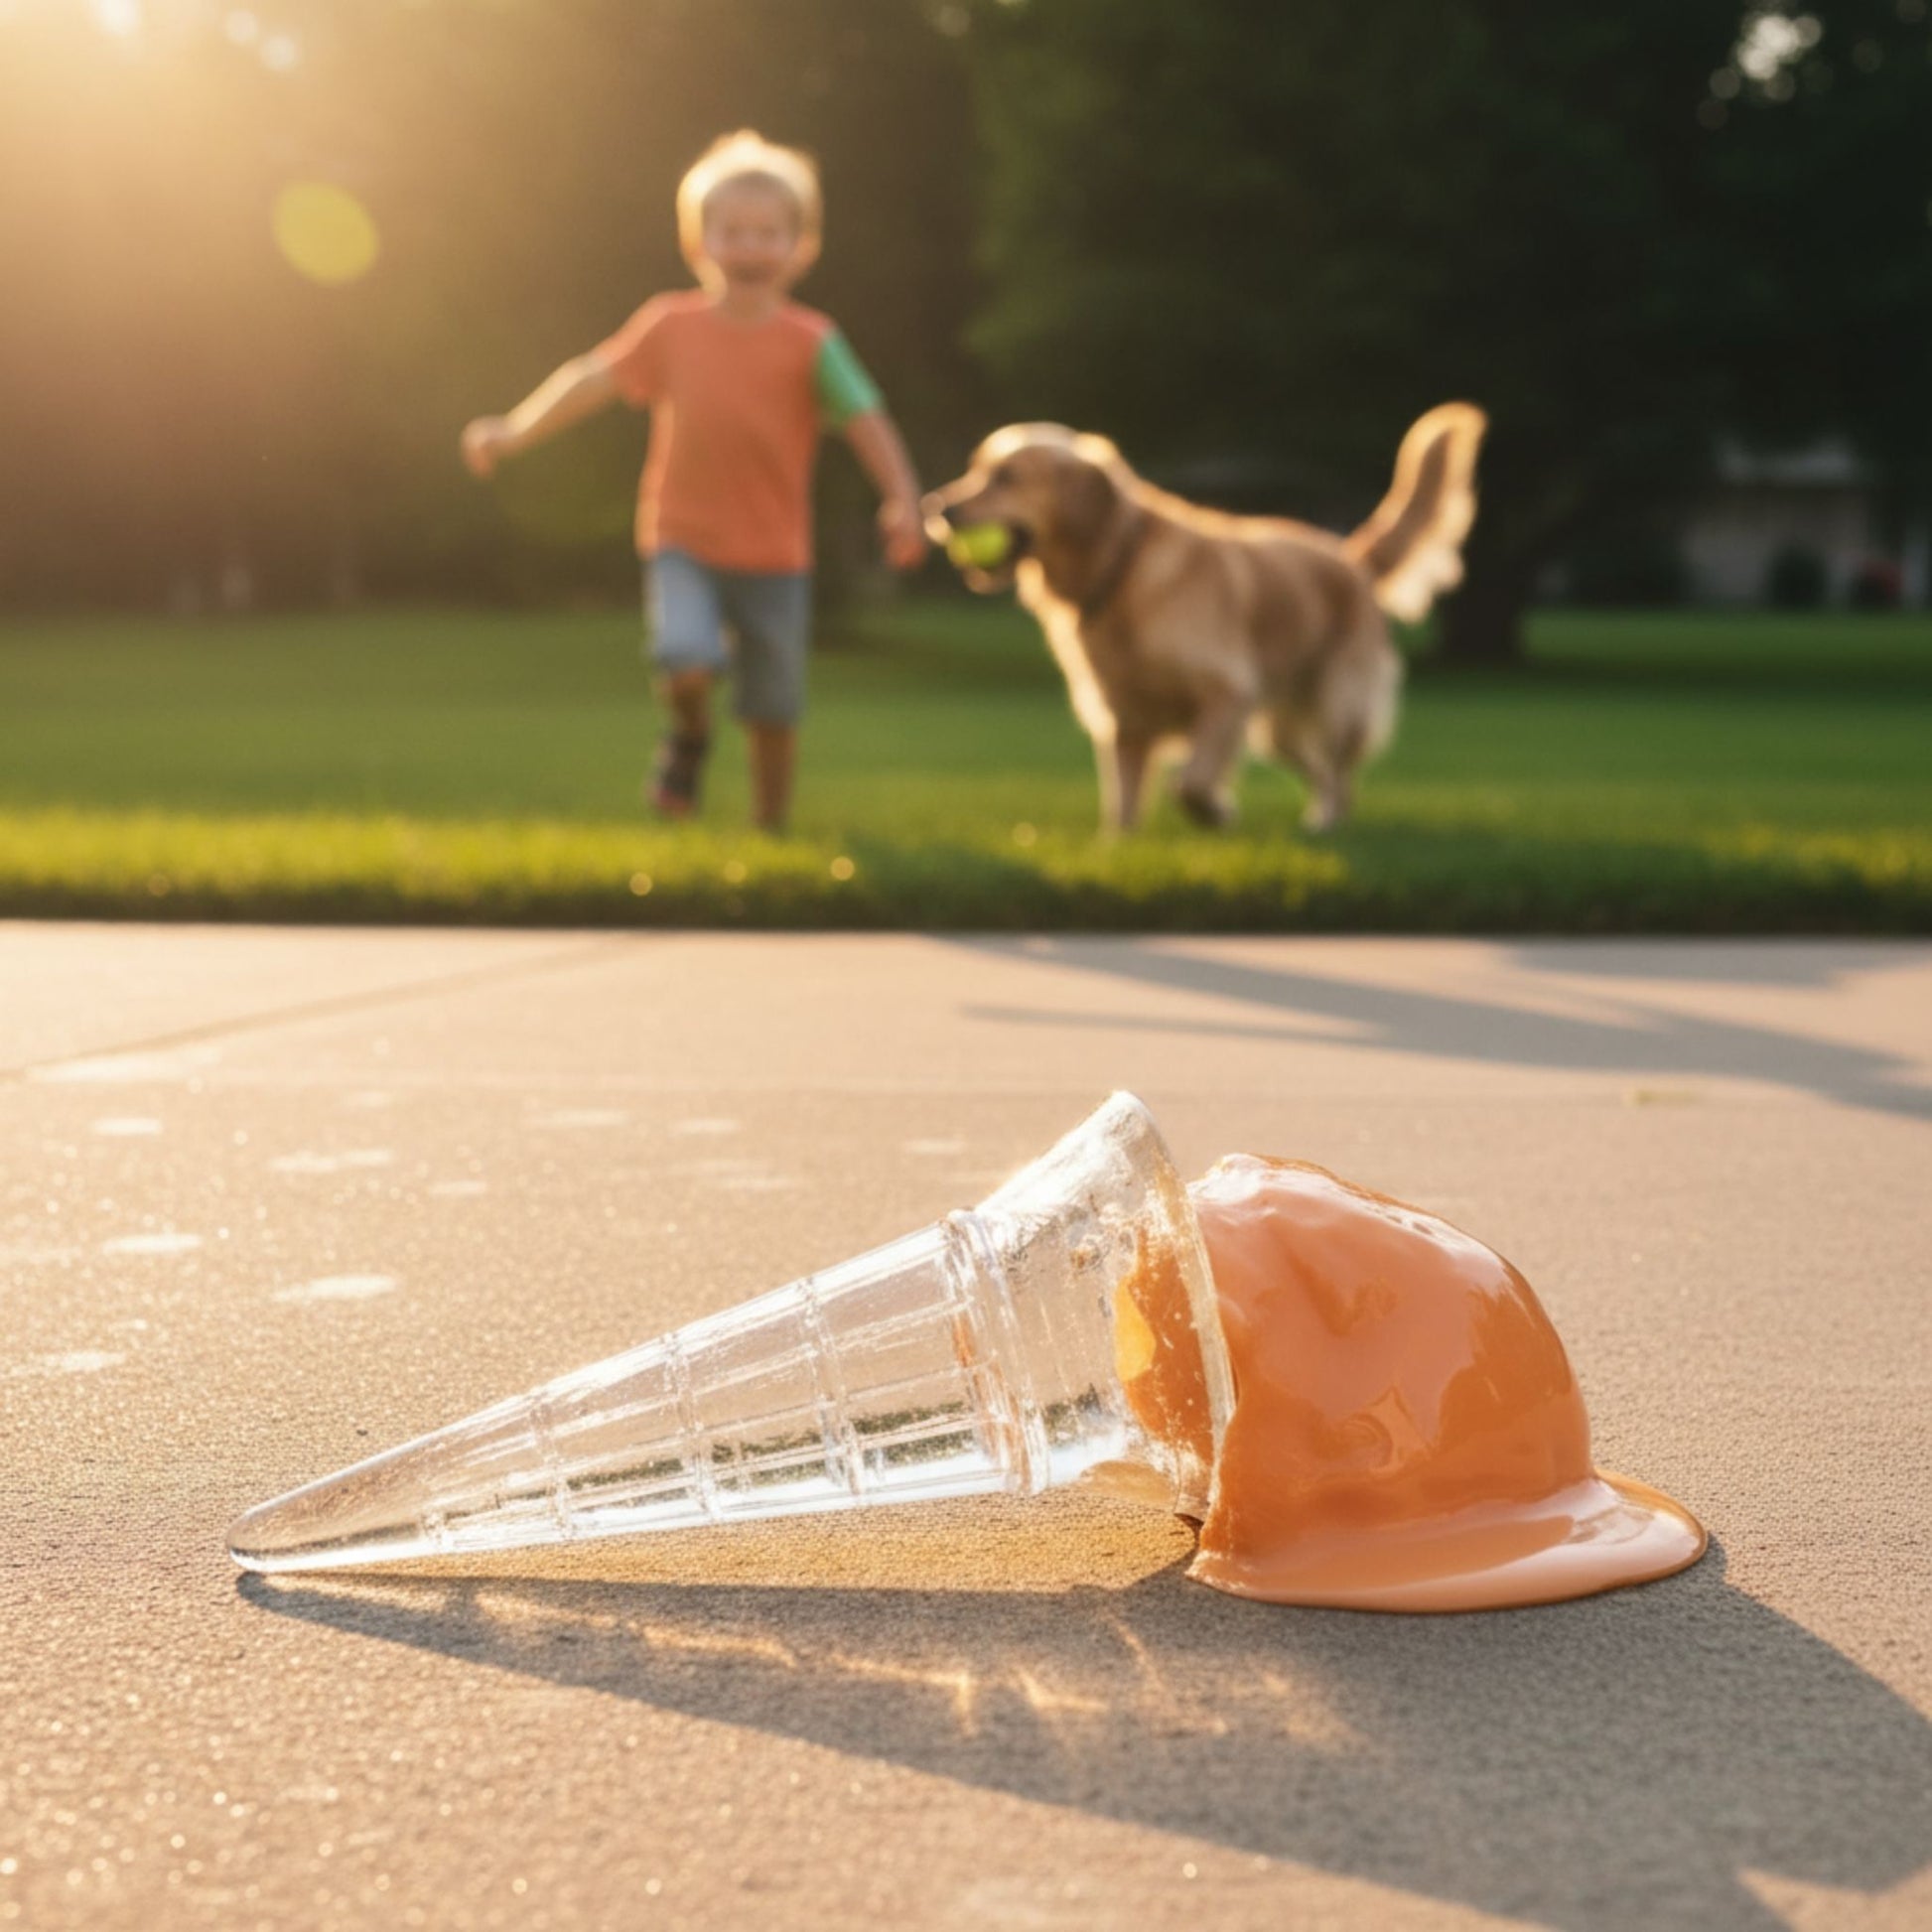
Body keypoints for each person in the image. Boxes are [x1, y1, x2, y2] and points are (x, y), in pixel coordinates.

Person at [460, 130, 927, 830]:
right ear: (698, 244)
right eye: (731, 232)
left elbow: (867, 420)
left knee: (774, 709)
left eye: (768, 234)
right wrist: (517, 429)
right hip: (684, 540)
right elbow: (592, 379)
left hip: (775, 554)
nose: (749, 247)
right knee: (683, 654)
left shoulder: (812, 343)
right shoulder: (670, 327)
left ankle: (771, 837)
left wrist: (903, 499)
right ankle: (689, 734)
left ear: (800, 248)